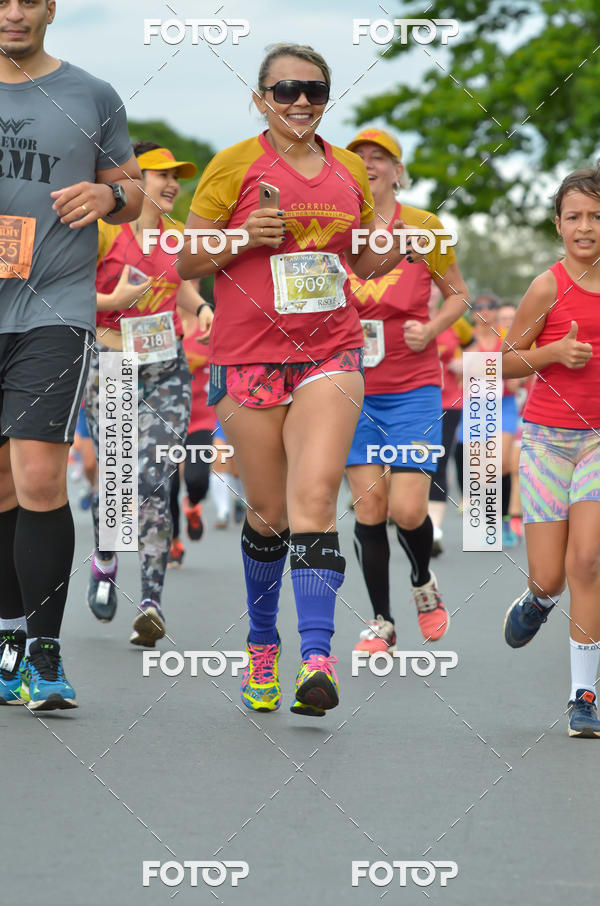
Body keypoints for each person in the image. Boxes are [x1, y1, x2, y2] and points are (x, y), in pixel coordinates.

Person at [178, 43, 412, 716]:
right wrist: (243, 236)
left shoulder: (347, 171)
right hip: (247, 357)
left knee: (313, 497)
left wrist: (383, 250)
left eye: (313, 88)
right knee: (269, 514)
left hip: (330, 352)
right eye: (285, 90)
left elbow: (362, 264)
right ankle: (261, 645)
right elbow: (184, 258)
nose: (301, 100)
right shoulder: (234, 165)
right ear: (261, 99)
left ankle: (317, 660)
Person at [0, 0, 142, 709]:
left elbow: (137, 189)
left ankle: (47, 654)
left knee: (38, 476)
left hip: (54, 309)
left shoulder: (93, 93)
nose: (14, 12)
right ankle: (7, 641)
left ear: (52, 8)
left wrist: (109, 192)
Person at [342, 128, 470, 654]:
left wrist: (434, 328)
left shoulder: (424, 226)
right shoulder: (338, 227)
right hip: (352, 387)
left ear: (399, 170)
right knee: (369, 507)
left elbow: (459, 295)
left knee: (409, 511)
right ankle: (381, 622)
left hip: (414, 386)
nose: (369, 164)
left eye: (381, 158)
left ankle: (422, 581)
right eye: (360, 158)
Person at [85, 142, 212, 646]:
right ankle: (106, 556)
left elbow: (180, 284)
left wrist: (200, 307)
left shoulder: (178, 237)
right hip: (112, 362)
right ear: (134, 181)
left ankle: (152, 603)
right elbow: (61, 284)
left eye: (177, 177)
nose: (172, 185)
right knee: (116, 478)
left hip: (166, 368)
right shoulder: (101, 231)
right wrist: (108, 301)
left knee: (156, 477)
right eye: (162, 175)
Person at [502, 167, 600, 737]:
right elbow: (504, 362)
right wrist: (556, 351)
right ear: (559, 224)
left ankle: (582, 694)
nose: (585, 227)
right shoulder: (548, 286)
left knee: (587, 559)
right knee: (550, 575)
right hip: (545, 438)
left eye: (595, 216)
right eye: (574, 216)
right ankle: (539, 600)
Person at [168, 302, 214, 567]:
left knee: (197, 480)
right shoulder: (160, 319)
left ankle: (193, 505)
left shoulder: (208, 322)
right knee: (168, 485)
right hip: (166, 418)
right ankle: (174, 541)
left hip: (200, 418)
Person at [429, 288, 474, 555]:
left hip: (449, 402)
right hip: (411, 402)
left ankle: (434, 529)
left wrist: (465, 363)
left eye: (435, 288)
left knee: (439, 460)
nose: (430, 293)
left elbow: (475, 350)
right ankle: (409, 518)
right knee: (409, 461)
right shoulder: (401, 318)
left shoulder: (455, 321)